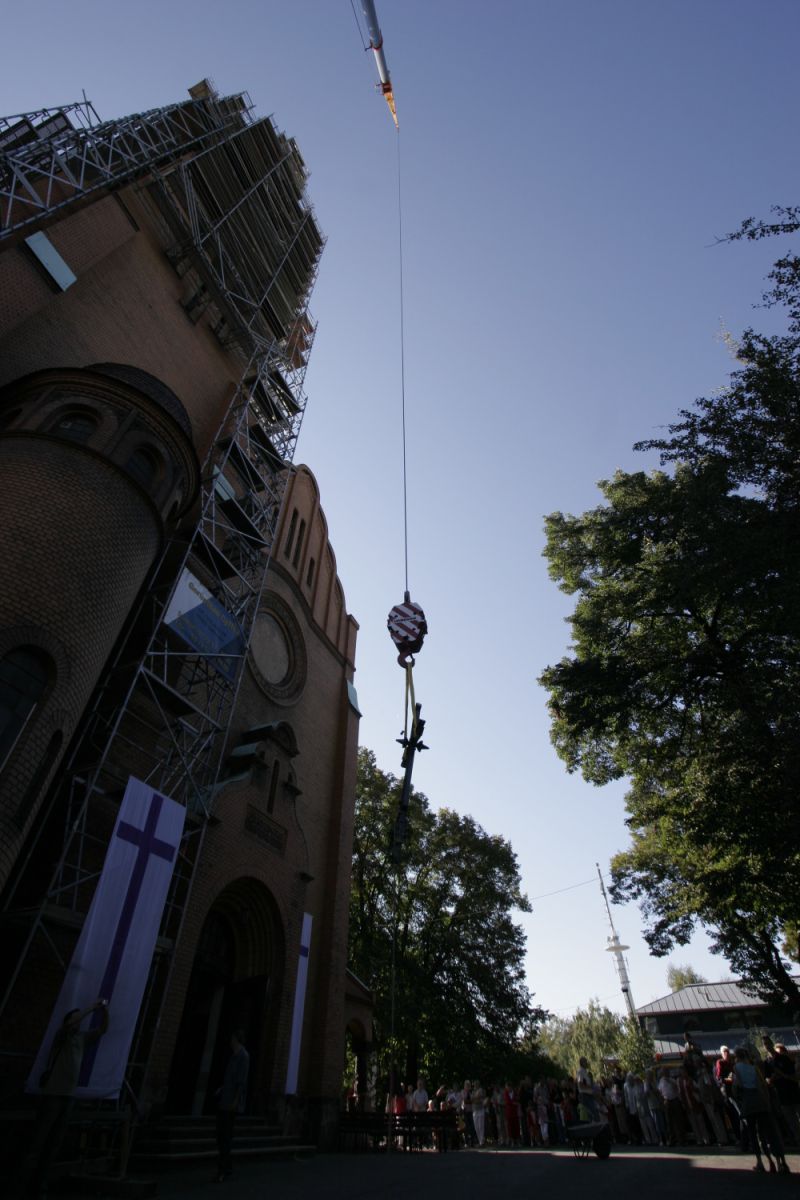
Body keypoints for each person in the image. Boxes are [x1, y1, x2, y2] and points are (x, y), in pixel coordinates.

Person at [16, 1000, 109, 1199]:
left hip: (68, 1096)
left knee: (54, 1143)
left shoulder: (81, 1038)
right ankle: (21, 1186)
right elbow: (71, 1022)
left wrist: (104, 1012)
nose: (78, 1022)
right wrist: (91, 1008)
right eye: (75, 1019)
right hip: (53, 1094)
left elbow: (102, 1030)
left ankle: (40, 1185)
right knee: (38, 1141)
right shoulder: (63, 1035)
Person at [733, 1045, 789, 1174]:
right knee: (770, 1131)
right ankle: (780, 1162)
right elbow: (762, 1085)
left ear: (737, 1056)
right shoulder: (754, 1068)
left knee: (754, 1132)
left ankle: (762, 1162)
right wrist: (767, 1101)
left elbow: (737, 1086)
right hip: (761, 1100)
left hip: (748, 1100)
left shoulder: (737, 1068)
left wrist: (737, 1094)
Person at [215, 1030, 249, 1183]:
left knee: (225, 1136)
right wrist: (222, 1089)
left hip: (231, 1103)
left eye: (232, 1038)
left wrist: (236, 1101)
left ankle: (223, 1169)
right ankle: (227, 1166)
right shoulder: (233, 1056)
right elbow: (229, 1078)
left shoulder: (243, 1056)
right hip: (224, 1100)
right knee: (221, 1134)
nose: (230, 1041)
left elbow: (241, 1082)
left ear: (236, 1039)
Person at [763, 1037, 800, 1146]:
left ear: (771, 1043)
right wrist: (773, 1078)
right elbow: (767, 1080)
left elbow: (793, 1074)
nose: (767, 1046)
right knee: (792, 1121)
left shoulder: (783, 1058)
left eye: (768, 1043)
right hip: (781, 1095)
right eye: (765, 1044)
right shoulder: (767, 1062)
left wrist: (783, 1075)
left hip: (794, 1092)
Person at [576, 1057, 598, 1123]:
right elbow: (580, 1085)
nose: (587, 1063)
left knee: (594, 1113)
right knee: (591, 1114)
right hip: (585, 1096)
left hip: (589, 1095)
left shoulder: (585, 1072)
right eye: (585, 1061)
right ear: (582, 1063)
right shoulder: (580, 1071)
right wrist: (590, 1087)